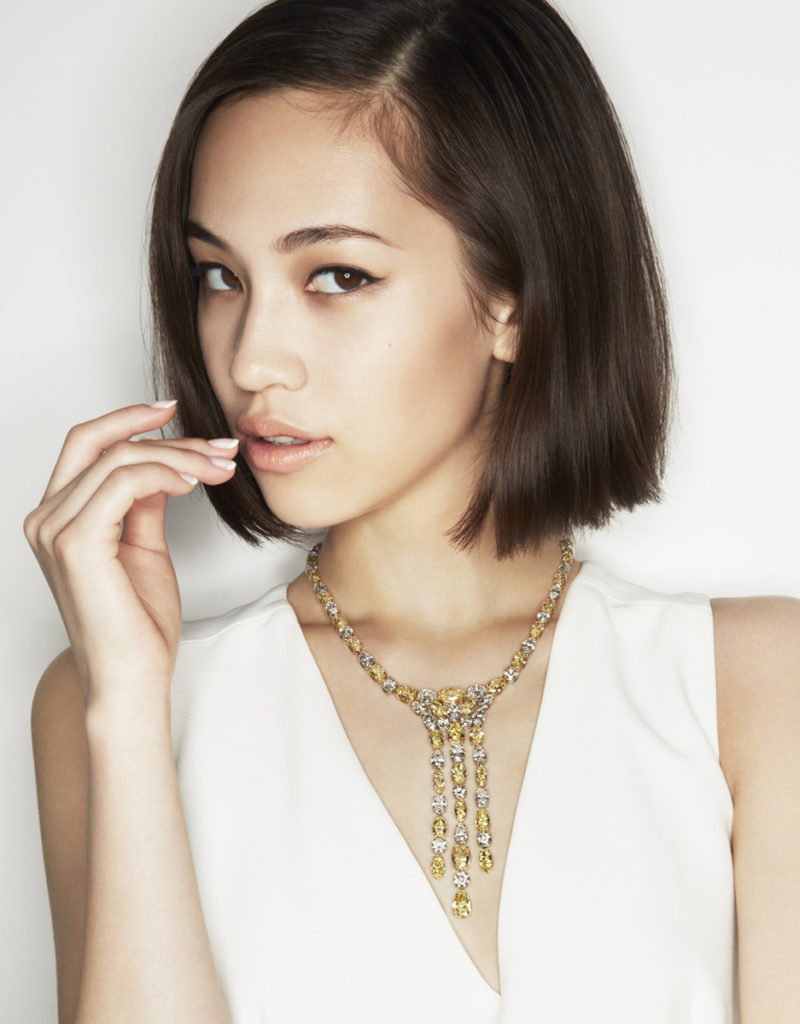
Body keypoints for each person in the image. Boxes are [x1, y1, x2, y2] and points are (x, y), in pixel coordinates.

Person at [23, 0, 799, 1021]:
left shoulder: (755, 687)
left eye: (336, 276)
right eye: (219, 275)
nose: (250, 360)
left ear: (511, 295)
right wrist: (127, 704)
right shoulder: (118, 699)